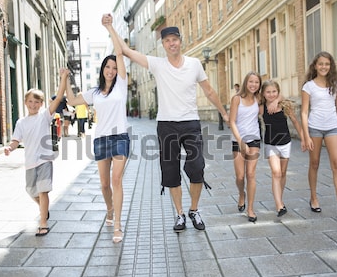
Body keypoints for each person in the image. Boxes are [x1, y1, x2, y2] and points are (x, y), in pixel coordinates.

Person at [102, 14, 229, 232]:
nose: (172, 43)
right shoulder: (157, 64)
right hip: (167, 125)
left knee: (197, 167)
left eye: (175, 39)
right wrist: (110, 27)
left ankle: (194, 209)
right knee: (170, 171)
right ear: (163, 45)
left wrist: (223, 113)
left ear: (180, 41)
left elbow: (208, 90)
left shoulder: (195, 64)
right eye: (167, 40)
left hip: (190, 124)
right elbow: (124, 50)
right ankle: (180, 214)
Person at [65, 18, 130, 243]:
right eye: (108, 67)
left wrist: (109, 27)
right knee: (104, 184)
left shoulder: (121, 85)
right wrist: (65, 79)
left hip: (120, 137)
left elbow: (120, 53)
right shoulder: (94, 93)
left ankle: (118, 226)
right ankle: (110, 209)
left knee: (116, 180)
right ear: (102, 69)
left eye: (114, 67)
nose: (111, 70)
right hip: (101, 139)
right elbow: (72, 100)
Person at [4, 68, 69, 236]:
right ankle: (43, 209)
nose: (33, 105)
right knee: (31, 190)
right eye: (30, 102)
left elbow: (59, 96)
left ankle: (43, 222)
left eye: (37, 102)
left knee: (43, 190)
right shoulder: (21, 122)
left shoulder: (45, 116)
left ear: (41, 104)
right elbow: (16, 140)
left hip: (44, 160)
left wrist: (63, 77)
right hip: (30, 162)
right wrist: (9, 148)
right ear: (26, 102)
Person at [301, 51, 337, 217]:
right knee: (314, 163)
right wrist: (306, 135)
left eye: (327, 64)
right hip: (314, 128)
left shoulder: (336, 85)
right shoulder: (308, 86)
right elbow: (304, 112)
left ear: (330, 66)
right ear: (315, 66)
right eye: (321, 64)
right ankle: (314, 198)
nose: (324, 67)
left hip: (332, 128)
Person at [260, 80, 305, 217]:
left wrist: (303, 138)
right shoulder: (261, 107)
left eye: (274, 92)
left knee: (283, 173)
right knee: (276, 172)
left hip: (285, 143)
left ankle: (280, 198)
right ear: (263, 93)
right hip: (270, 144)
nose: (271, 94)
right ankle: (279, 205)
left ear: (278, 92)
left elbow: (295, 121)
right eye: (268, 92)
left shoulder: (284, 105)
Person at [229, 71, 262, 222]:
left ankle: (250, 208)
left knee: (251, 174)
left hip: (254, 139)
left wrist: (276, 101)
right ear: (245, 83)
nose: (253, 85)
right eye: (251, 82)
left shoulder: (259, 98)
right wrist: (240, 141)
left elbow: (277, 94)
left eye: (256, 82)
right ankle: (241, 193)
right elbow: (232, 122)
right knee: (240, 176)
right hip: (238, 140)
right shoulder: (236, 99)